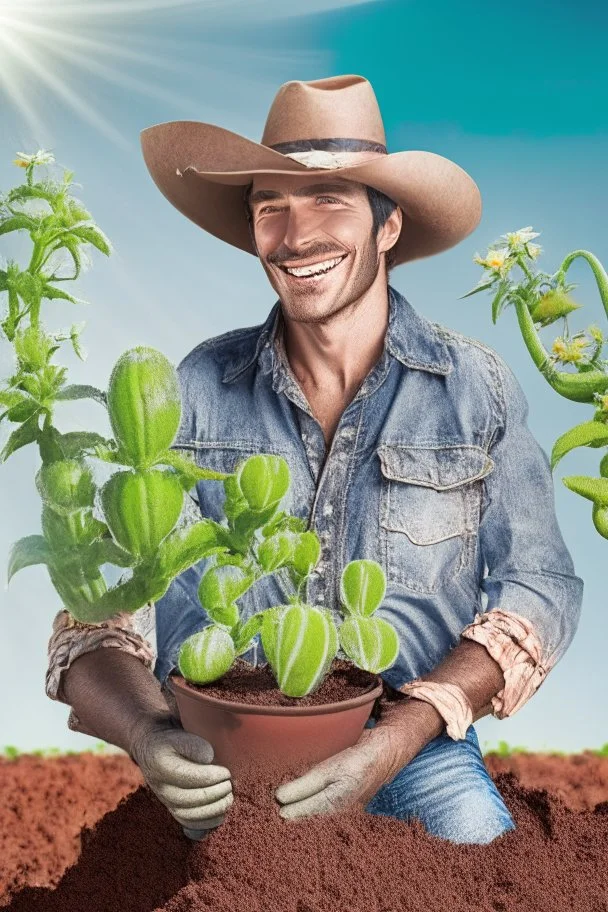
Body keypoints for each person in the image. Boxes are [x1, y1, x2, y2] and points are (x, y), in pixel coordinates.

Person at [45, 75, 583, 844]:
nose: (295, 237)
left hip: (411, 748)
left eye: (328, 200)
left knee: (478, 856)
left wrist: (403, 732)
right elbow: (97, 615)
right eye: (272, 208)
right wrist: (148, 732)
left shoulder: (476, 388)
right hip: (223, 757)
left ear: (388, 225)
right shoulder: (192, 388)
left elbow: (542, 584)